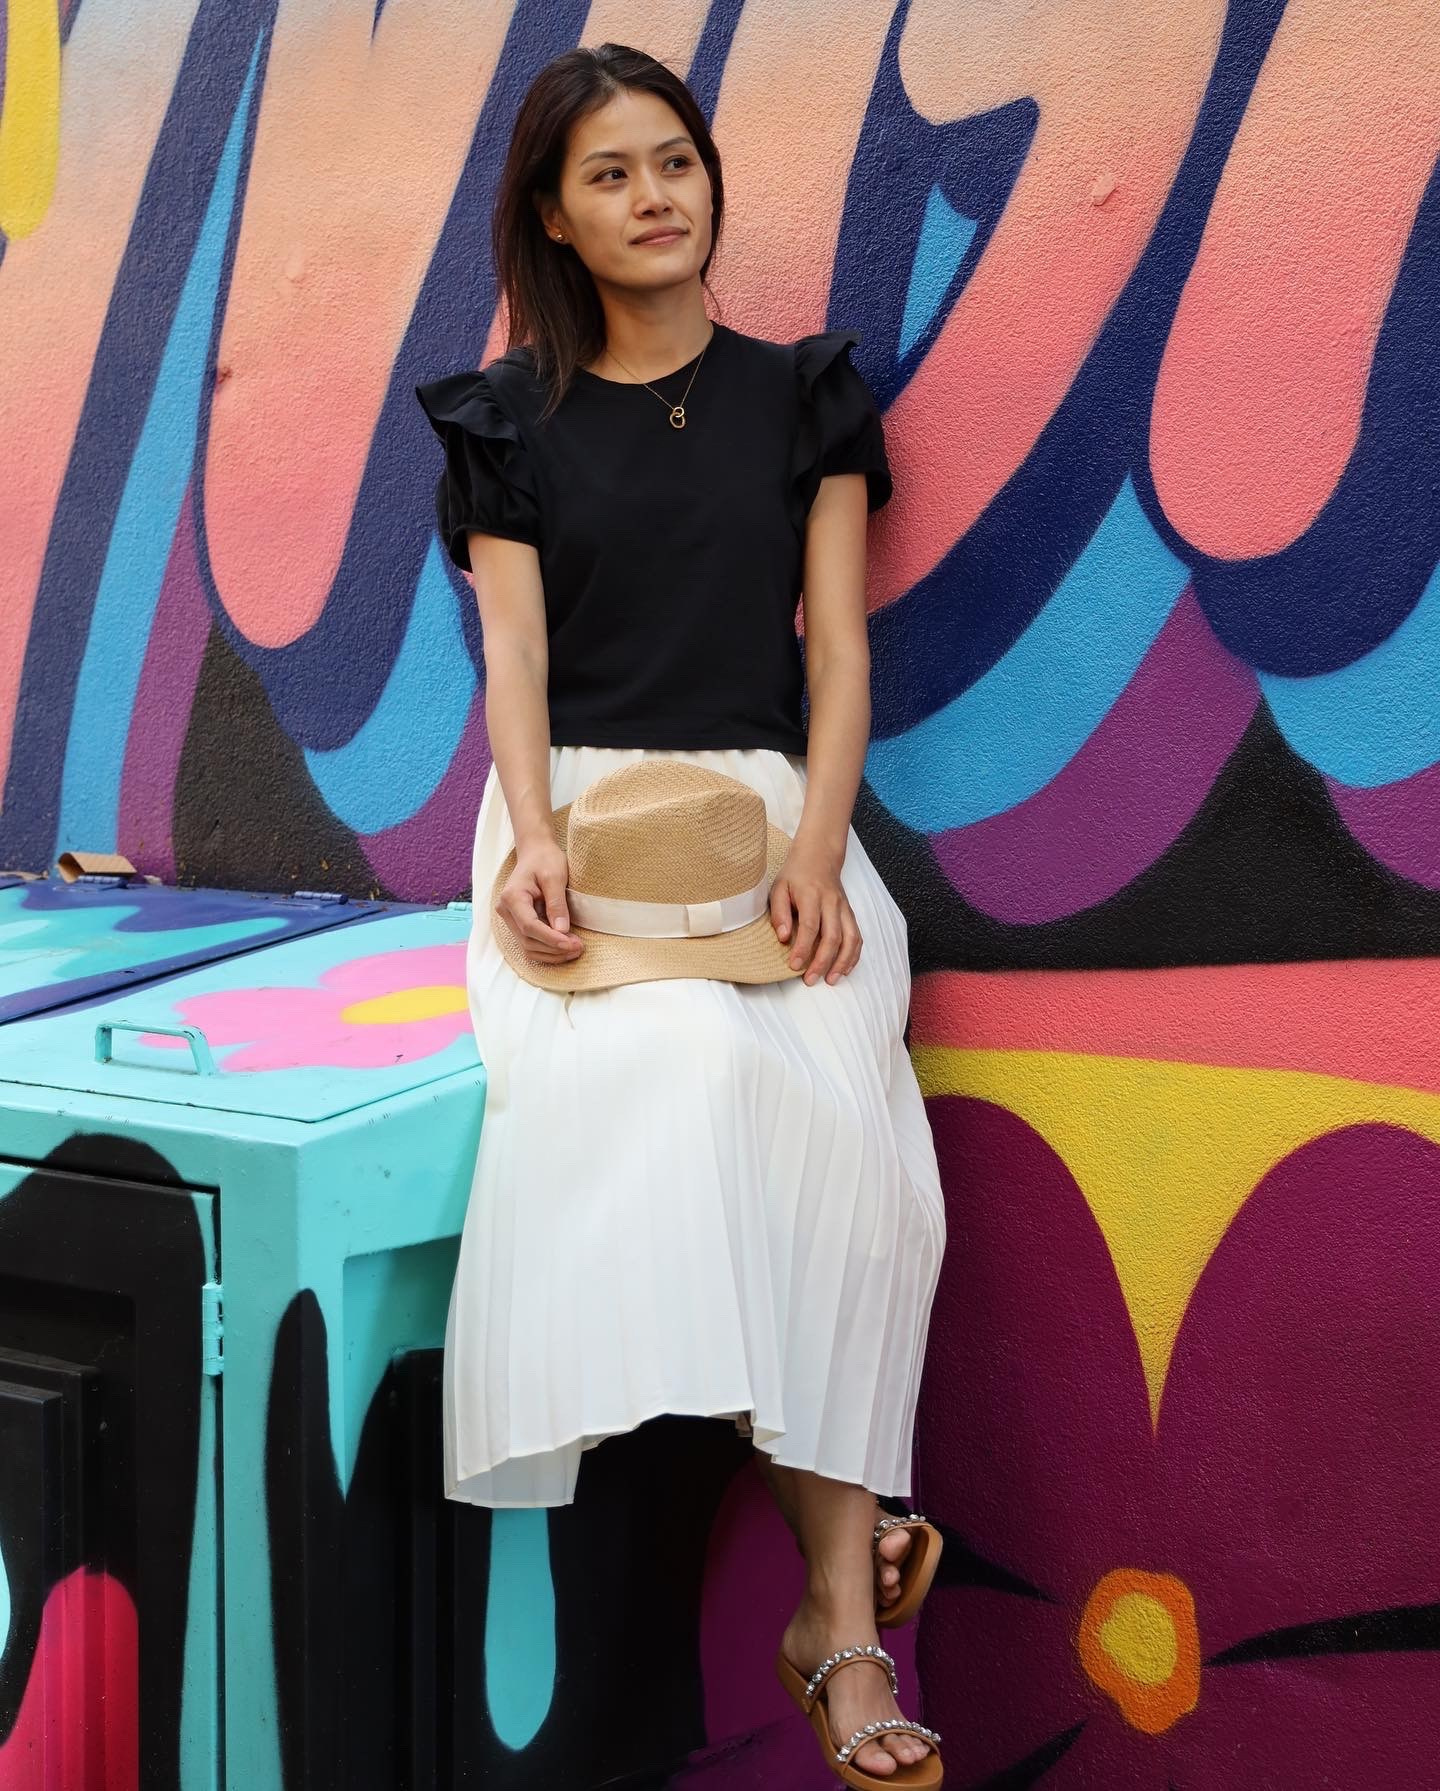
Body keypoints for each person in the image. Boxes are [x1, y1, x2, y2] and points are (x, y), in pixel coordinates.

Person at [415, 41, 946, 1789]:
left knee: (858, 1150)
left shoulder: (807, 396)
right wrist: (531, 840)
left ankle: (831, 1598)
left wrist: (821, 847)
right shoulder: (505, 423)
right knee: (692, 1074)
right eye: (610, 175)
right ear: (555, 219)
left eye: (675, 161)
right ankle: (847, 1627)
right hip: (578, 817)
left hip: (779, 818)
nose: (655, 197)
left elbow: (839, 652)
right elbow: (514, 659)